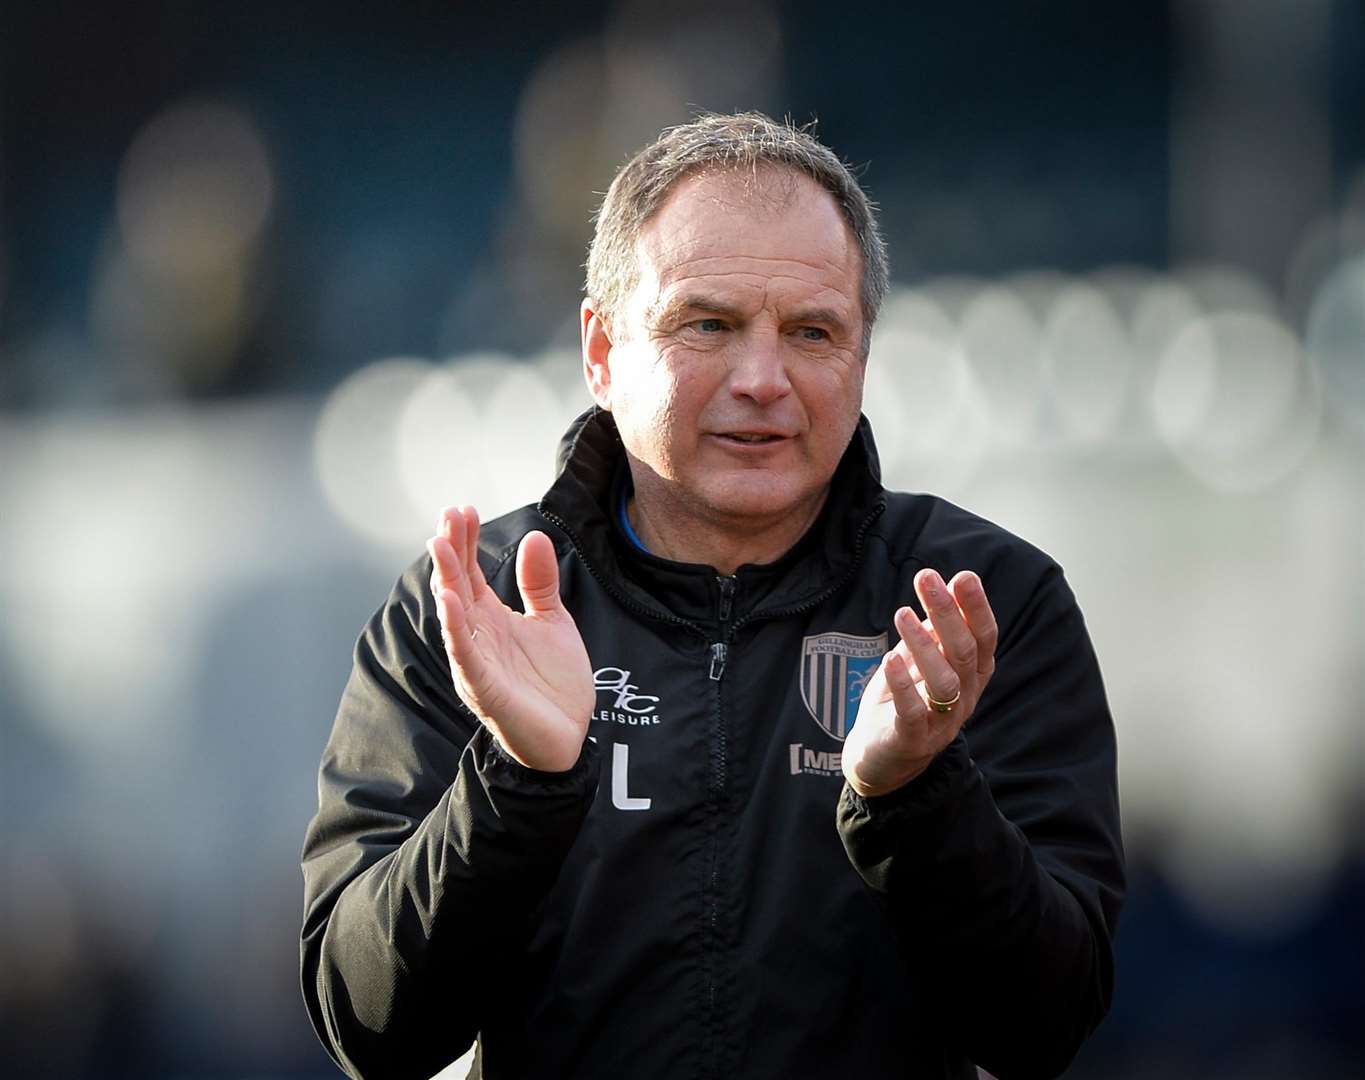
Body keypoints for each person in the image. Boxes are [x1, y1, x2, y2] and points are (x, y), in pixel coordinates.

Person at [300, 112, 1124, 1080]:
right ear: (602, 351)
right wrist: (516, 784)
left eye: (813, 332)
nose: (764, 380)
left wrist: (917, 799)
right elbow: (368, 1028)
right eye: (709, 324)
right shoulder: (473, 610)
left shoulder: (983, 607)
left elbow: (1047, 1024)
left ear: (862, 357)